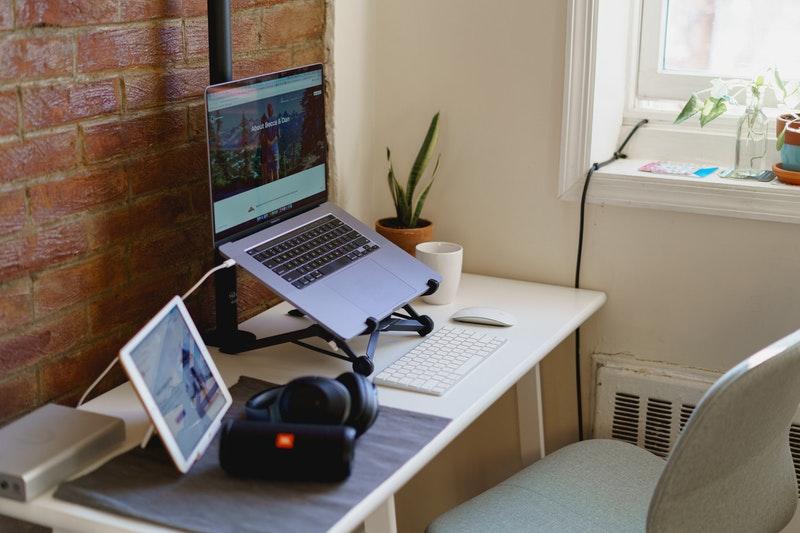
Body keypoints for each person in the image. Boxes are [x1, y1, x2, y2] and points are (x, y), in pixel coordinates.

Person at [259, 103, 280, 182]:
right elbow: (263, 136)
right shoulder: (267, 121)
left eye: (270, 109)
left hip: (273, 150)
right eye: (268, 109)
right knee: (271, 170)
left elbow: (278, 135)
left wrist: (270, 142)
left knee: (274, 170)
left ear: (272, 110)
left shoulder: (275, 120)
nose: (269, 111)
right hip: (269, 151)